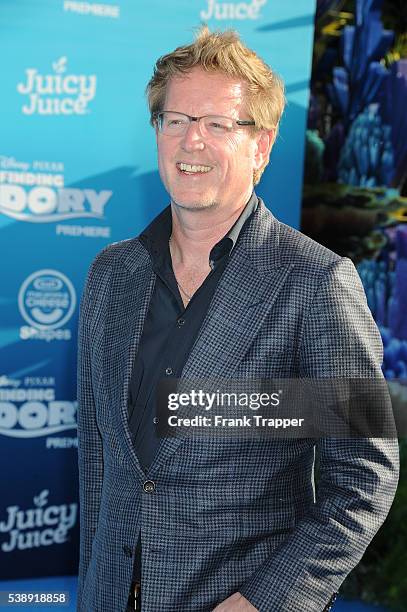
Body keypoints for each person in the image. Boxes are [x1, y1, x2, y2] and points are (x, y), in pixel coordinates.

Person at [76, 26, 399, 612]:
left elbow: (363, 478)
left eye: (217, 124)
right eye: (175, 120)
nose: (190, 141)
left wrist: (262, 603)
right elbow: (101, 464)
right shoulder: (111, 274)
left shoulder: (317, 283)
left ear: (263, 145)